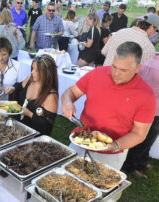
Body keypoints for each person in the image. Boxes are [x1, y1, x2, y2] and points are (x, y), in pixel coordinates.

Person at [61, 42, 156, 170]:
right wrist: (67, 102)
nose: (116, 73)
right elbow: (71, 92)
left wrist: (115, 146)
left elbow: (139, 134)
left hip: (112, 153)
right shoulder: (97, 73)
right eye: (114, 67)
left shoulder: (146, 95)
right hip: (80, 140)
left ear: (138, 68)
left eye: (123, 70)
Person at [121, 56, 159, 179]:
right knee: (144, 140)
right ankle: (131, 166)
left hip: (138, 104)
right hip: (154, 109)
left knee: (145, 140)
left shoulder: (149, 58)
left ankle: (141, 163)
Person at [5, 54, 58, 135]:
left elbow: (47, 125)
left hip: (34, 137)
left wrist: (29, 114)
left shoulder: (51, 96)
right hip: (17, 129)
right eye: (32, 68)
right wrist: (13, 89)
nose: (32, 72)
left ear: (46, 73)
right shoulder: (29, 79)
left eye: (36, 70)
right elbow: (18, 87)